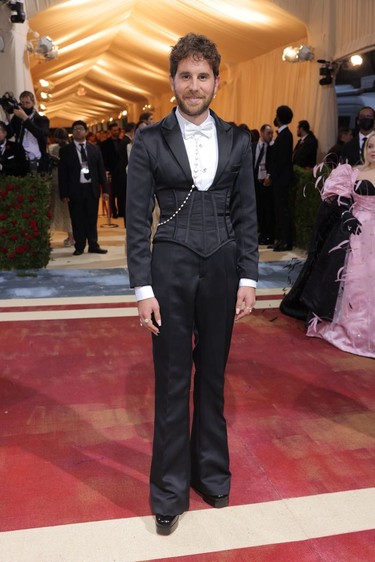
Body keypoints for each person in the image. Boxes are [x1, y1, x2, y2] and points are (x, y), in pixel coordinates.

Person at [126, 32, 258, 536]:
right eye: (186, 76)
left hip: (224, 269)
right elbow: (137, 220)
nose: (195, 85)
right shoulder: (149, 140)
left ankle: (211, 473)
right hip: (170, 271)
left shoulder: (239, 140)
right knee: (173, 381)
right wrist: (143, 290)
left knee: (214, 379)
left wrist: (248, 276)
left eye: (203, 76)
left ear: (217, 82)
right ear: (173, 82)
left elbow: (247, 214)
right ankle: (168, 491)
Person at [280, 132, 375, 358]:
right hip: (357, 231)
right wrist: (347, 216)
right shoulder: (353, 172)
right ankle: (351, 329)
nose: (373, 150)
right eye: (370, 146)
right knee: (356, 280)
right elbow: (338, 201)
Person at [58, 120, 109, 256]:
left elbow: (101, 170)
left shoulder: (95, 149)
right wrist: (64, 193)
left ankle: (93, 244)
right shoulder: (65, 151)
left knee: (92, 218)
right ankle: (79, 245)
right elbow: (62, 173)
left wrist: (105, 190)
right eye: (75, 129)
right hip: (75, 189)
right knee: (77, 219)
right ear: (72, 133)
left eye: (81, 129)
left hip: (91, 188)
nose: (78, 131)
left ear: (86, 131)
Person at [268, 105, 294, 251]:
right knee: (278, 210)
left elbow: (280, 160)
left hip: (281, 180)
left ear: (279, 117)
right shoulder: (284, 135)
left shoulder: (286, 135)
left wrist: (271, 176)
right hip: (279, 179)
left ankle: (286, 241)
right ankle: (280, 239)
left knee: (282, 211)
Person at [6, 91, 50, 174]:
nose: (25, 106)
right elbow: (8, 134)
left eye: (27, 102)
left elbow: (40, 134)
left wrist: (24, 117)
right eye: (22, 103)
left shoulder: (42, 119)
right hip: (20, 158)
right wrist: (7, 116)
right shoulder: (17, 118)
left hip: (37, 159)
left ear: (33, 103)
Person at [48, 128, 74, 247]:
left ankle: (48, 237)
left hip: (54, 179)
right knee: (68, 210)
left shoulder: (51, 148)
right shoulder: (71, 147)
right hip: (68, 180)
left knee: (52, 208)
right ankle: (71, 237)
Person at [252, 123, 274, 245]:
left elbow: (273, 164)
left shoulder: (272, 148)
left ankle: (267, 235)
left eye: (272, 133)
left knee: (267, 210)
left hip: (266, 182)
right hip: (255, 182)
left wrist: (269, 176)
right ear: (261, 133)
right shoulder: (253, 146)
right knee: (258, 209)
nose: (270, 136)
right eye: (268, 133)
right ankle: (259, 233)